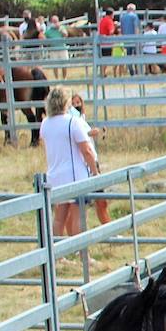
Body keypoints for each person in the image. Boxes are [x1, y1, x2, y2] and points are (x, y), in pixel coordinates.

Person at [39, 85, 99, 238]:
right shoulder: (73, 122)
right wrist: (95, 172)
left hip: (55, 176)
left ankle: (58, 255)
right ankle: (83, 255)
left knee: (59, 218)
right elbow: (86, 150)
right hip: (75, 177)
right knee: (80, 217)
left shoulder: (45, 123)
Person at [70, 93, 110, 226]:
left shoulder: (81, 118)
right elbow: (78, 138)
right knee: (80, 206)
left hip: (92, 162)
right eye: (74, 103)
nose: (77, 105)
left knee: (101, 201)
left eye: (78, 102)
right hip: (87, 165)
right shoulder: (73, 119)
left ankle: (108, 229)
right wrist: (89, 133)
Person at [119, 3, 140, 75]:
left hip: (126, 39)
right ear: (133, 9)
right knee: (136, 55)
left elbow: (121, 29)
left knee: (128, 55)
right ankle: (137, 70)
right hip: (134, 39)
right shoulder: (134, 16)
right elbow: (136, 27)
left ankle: (131, 71)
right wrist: (137, 38)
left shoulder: (122, 17)